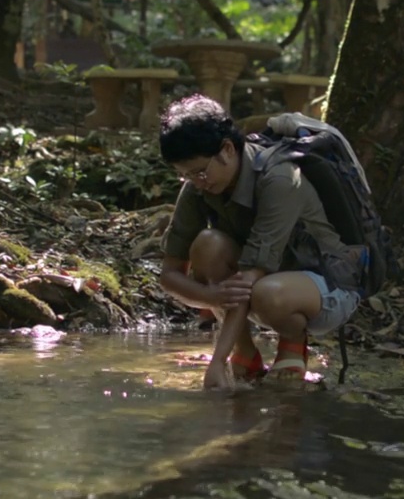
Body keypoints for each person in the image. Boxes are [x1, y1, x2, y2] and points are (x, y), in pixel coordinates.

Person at [156, 94, 364, 390]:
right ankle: (245, 352)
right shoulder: (199, 187)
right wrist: (211, 297)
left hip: (328, 285)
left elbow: (250, 278)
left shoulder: (279, 178)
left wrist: (217, 362)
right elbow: (169, 274)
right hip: (262, 282)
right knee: (207, 244)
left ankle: (292, 342)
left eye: (200, 171)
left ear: (226, 150)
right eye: (185, 175)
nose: (196, 182)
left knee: (268, 292)